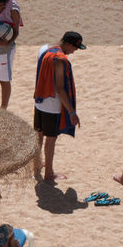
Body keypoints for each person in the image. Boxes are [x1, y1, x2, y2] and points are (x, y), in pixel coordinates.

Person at [32, 31, 85, 182]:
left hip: (39, 100)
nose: (74, 51)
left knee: (39, 135)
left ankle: (36, 166)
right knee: (51, 139)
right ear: (67, 44)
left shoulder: (44, 48)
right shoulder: (60, 60)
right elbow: (60, 88)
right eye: (74, 47)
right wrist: (72, 112)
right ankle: (49, 173)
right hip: (51, 105)